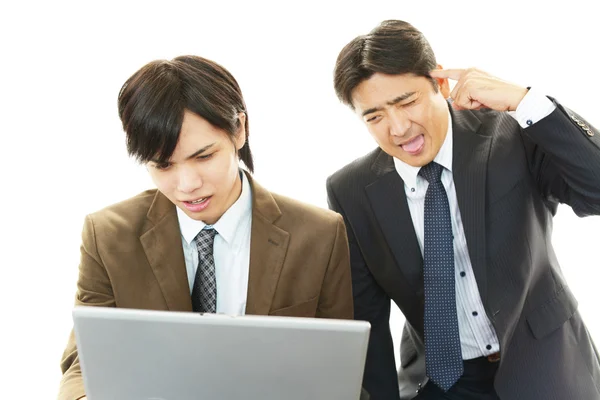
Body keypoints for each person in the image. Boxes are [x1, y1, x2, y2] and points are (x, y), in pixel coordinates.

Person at [327, 19, 600, 400]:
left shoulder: (511, 134)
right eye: (374, 116)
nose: (398, 127)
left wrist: (526, 101)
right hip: (441, 380)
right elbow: (367, 320)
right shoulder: (350, 190)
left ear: (440, 85)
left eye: (407, 102)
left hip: (546, 365)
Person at [58, 55, 354, 400]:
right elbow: (84, 365)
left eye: (203, 157)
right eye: (163, 165)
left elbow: (339, 372)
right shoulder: (107, 236)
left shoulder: (319, 235)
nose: (187, 185)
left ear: (239, 129)